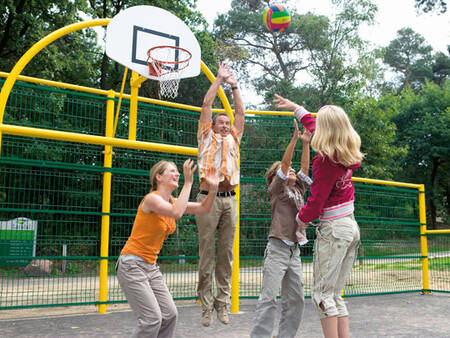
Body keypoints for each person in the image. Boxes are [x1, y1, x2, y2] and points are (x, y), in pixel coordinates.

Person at [274, 94, 363, 338]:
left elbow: (316, 200)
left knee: (322, 295)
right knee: (334, 294)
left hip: (334, 229)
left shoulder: (324, 160)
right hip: (350, 227)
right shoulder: (345, 152)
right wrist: (296, 108)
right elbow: (313, 125)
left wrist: (300, 220)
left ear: (326, 130)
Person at [116, 159, 219, 338]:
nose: (177, 173)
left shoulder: (173, 201)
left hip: (150, 267)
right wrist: (188, 183)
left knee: (170, 314)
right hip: (131, 265)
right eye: (172, 171)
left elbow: (204, 208)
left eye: (178, 171)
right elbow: (177, 213)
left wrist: (214, 188)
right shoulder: (152, 199)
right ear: (158, 177)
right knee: (151, 319)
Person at [250, 119, 312, 338]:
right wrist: (294, 140)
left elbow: (304, 168)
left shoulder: (298, 189)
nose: (292, 170)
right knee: (268, 299)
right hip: (277, 248)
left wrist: (306, 142)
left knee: (296, 299)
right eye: (286, 170)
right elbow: (285, 166)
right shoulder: (277, 189)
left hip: (294, 250)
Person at [195, 62, 245, 327]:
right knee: (207, 253)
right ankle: (205, 305)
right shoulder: (205, 136)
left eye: (227, 122)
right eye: (220, 122)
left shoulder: (235, 137)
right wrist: (218, 79)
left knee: (226, 254)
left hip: (230, 200)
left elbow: (239, 111)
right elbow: (206, 105)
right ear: (212, 125)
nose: (225, 125)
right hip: (208, 198)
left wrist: (234, 84)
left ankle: (222, 304)